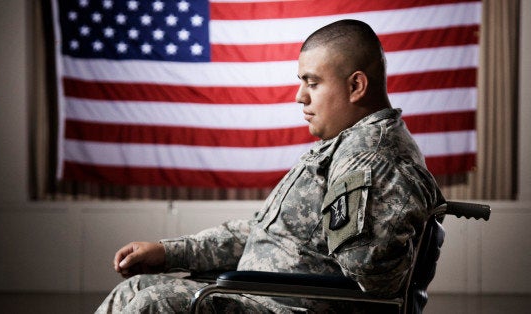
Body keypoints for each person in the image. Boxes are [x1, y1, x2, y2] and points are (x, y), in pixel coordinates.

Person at [96, 19, 443, 313]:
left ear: (356, 86)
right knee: (135, 289)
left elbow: (373, 277)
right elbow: (267, 235)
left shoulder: (369, 155)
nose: (300, 96)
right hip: (262, 297)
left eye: (313, 82)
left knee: (156, 302)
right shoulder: (344, 147)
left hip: (290, 307)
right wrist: (171, 252)